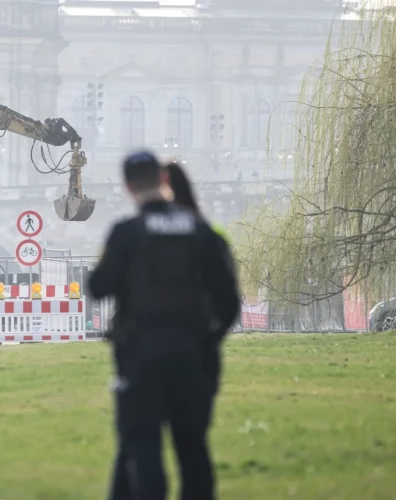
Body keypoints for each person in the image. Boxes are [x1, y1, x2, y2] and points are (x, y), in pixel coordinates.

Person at [90, 151, 240, 500]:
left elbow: (98, 286)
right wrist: (208, 340)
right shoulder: (200, 231)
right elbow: (228, 300)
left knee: (143, 446)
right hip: (191, 352)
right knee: (193, 448)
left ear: (128, 187)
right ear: (162, 179)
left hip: (141, 354)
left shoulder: (127, 233)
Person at [164, 161, 237, 428]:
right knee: (194, 438)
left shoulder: (139, 234)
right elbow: (228, 299)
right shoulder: (210, 234)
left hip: (155, 348)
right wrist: (212, 337)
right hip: (199, 343)